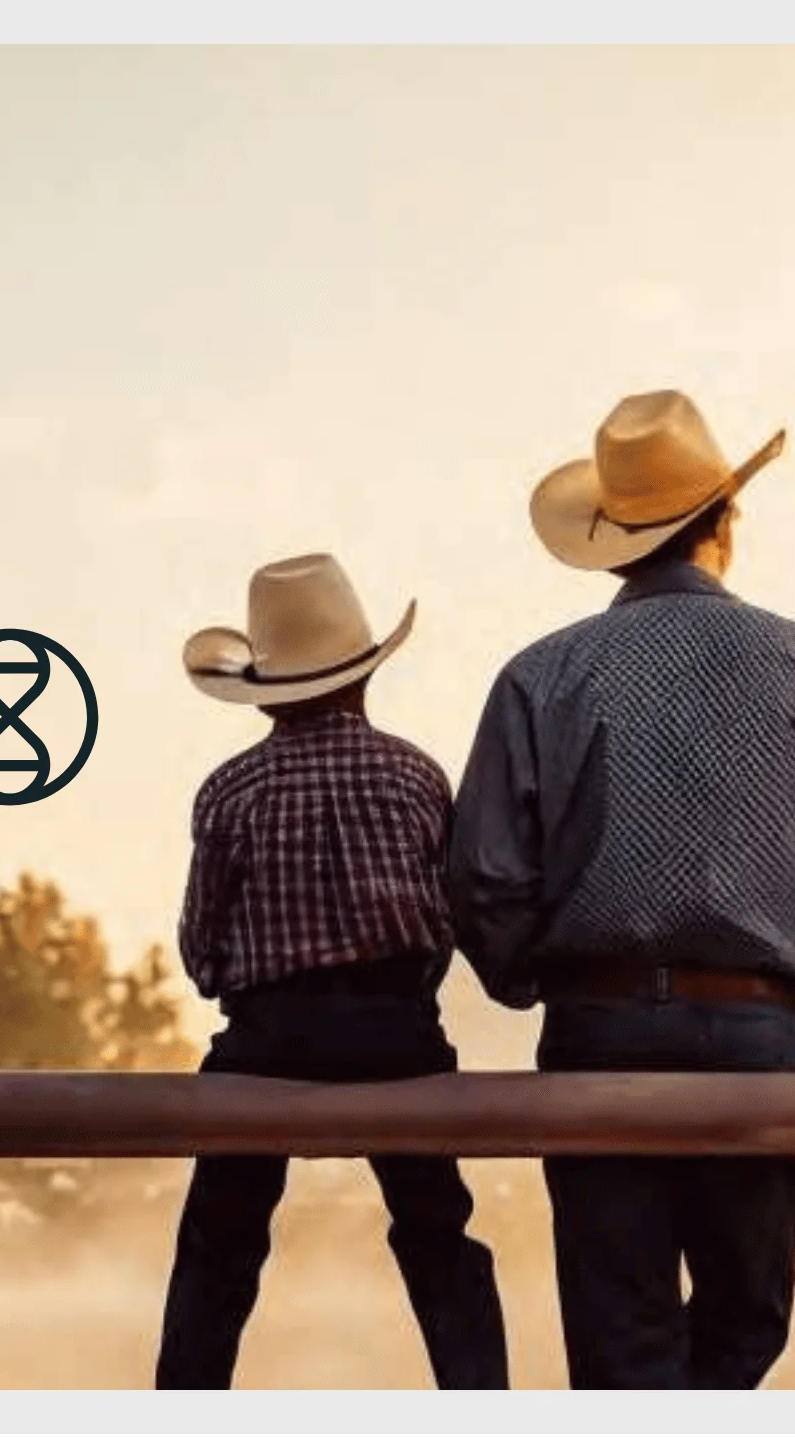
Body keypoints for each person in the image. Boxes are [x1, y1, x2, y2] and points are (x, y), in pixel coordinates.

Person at [444, 390, 795, 1389]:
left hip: (596, 1040)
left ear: (615, 541)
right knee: (743, 1335)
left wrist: (534, 982)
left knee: (620, 1343)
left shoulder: (541, 677)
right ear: (728, 522)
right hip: (755, 1039)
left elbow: (485, 879)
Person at [156, 552, 511, 1390]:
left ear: (267, 692)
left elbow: (203, 952)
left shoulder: (229, 791)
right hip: (398, 1034)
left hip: (268, 1039)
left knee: (220, 1241)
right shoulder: (417, 776)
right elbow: (447, 917)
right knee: (438, 1232)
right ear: (364, 675)